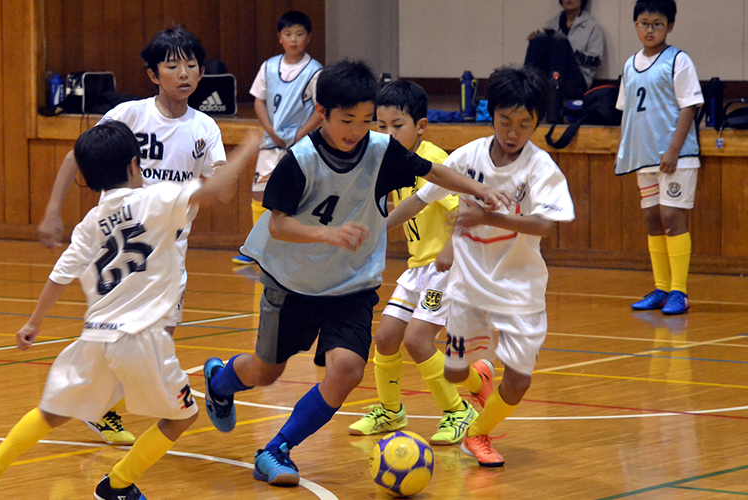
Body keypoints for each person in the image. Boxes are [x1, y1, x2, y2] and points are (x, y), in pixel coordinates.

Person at [201, 60, 512, 487]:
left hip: (351, 285)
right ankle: (220, 381)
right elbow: (276, 224)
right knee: (266, 372)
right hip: (293, 283)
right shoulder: (301, 159)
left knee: (347, 369)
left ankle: (276, 449)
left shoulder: (379, 152)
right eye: (348, 120)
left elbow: (430, 172)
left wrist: (479, 189)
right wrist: (327, 235)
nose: (358, 130)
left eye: (366, 120)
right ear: (322, 112)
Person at [0, 121, 260, 500]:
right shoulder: (158, 198)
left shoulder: (90, 222)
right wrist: (247, 147)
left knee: (54, 412)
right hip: (143, 336)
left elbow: (59, 275)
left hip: (95, 336)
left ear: (87, 176)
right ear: (135, 165)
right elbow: (214, 192)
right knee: (183, 417)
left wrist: (33, 323)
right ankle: (117, 484)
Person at [36, 26, 228, 444]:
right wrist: (53, 211)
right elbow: (76, 155)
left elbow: (218, 188)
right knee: (130, 335)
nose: (184, 73)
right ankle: (96, 407)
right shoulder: (130, 115)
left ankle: (98, 406)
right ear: (153, 75)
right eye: (172, 65)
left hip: (169, 252)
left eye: (192, 65)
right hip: (121, 247)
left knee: (156, 338)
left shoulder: (205, 129)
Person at [387, 66, 575, 467]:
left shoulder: (542, 168)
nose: (513, 132)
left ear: (536, 123)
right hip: (469, 283)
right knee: (453, 371)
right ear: (492, 114)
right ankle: (477, 382)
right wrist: (375, 231)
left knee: (520, 380)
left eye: (525, 124)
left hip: (519, 284)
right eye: (506, 120)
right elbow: (420, 199)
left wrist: (488, 218)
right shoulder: (466, 157)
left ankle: (478, 433)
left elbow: (544, 226)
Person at [347, 80, 495, 446]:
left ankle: (459, 411)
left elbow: (468, 207)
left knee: (417, 339)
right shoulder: (389, 162)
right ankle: (391, 410)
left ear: (421, 126)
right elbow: (404, 208)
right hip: (418, 267)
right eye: (380, 126)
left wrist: (451, 248)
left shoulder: (435, 161)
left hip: (448, 265)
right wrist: (369, 234)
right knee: (385, 338)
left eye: (397, 126)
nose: (387, 134)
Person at [616, 0, 700, 316]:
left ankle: (680, 291)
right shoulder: (629, 65)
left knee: (671, 216)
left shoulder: (678, 61)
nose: (650, 29)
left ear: (670, 26)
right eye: (644, 22)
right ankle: (662, 288)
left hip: (676, 156)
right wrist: (624, 150)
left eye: (657, 23)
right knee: (652, 218)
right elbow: (627, 114)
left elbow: (689, 106)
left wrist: (674, 150)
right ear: (636, 24)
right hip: (644, 157)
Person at [232, 10, 323, 265]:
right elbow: (259, 100)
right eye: (288, 34)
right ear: (280, 38)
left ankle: (294, 247)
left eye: (299, 34)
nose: (293, 39)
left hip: (301, 145)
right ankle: (255, 248)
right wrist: (270, 131)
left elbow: (320, 110)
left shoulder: (314, 71)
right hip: (271, 142)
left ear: (309, 37)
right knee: (259, 194)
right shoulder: (269, 66)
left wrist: (298, 134)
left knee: (300, 195)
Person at [524, 0, 606, 119]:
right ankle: (525, 93)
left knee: (559, 41)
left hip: (578, 82)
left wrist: (569, 51)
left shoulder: (592, 27)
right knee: (539, 39)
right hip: (550, 76)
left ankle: (553, 99)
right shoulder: (551, 25)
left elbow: (595, 61)